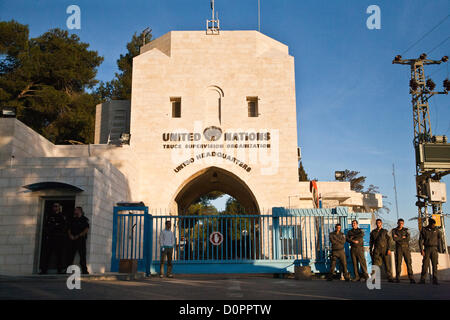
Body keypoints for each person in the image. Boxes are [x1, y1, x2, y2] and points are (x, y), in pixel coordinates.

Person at [39, 203, 67, 274]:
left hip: (59, 238)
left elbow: (63, 227)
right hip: (50, 237)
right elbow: (47, 226)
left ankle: (60, 270)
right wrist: (55, 225)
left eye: (56, 206)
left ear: (59, 207)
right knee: (47, 254)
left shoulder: (62, 216)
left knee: (59, 254)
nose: (55, 208)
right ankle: (44, 270)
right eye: (54, 206)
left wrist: (55, 225)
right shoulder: (49, 216)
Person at [391, 218, 415, 283]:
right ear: (397, 223)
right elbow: (394, 239)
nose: (401, 224)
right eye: (399, 223)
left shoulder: (406, 230)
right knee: (398, 263)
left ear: (403, 224)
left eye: (402, 223)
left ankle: (411, 278)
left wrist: (399, 237)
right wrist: (402, 237)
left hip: (406, 248)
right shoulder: (394, 230)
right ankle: (397, 278)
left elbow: (408, 238)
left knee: (408, 263)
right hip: (398, 248)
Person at [419, 218, 442, 285]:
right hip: (427, 249)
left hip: (434, 249)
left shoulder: (437, 230)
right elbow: (420, 240)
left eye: (434, 224)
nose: (433, 226)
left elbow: (439, 239)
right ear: (429, 224)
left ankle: (435, 280)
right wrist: (421, 250)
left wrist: (439, 249)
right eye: (432, 224)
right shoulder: (424, 230)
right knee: (425, 264)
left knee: (435, 265)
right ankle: (422, 279)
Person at [67, 207, 90, 275]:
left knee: (82, 255)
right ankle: (68, 270)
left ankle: (84, 270)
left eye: (76, 210)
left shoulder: (84, 219)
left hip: (80, 240)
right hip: (72, 239)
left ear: (80, 211)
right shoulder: (72, 219)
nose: (75, 211)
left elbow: (86, 229)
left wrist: (79, 235)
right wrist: (70, 235)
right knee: (70, 255)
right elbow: (69, 228)